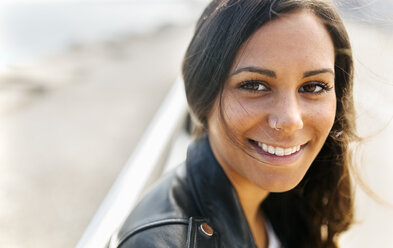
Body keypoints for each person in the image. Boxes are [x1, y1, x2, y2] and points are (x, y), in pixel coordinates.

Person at [107, 0, 358, 247]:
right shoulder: (158, 243)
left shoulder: (291, 201)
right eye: (254, 85)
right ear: (203, 95)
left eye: (313, 87)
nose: (291, 119)